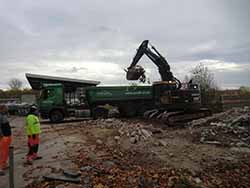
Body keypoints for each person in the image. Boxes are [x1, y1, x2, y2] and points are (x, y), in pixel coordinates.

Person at [0, 105, 12, 176]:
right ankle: (0, 167)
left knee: (6, 151)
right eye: (6, 108)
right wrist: (1, 135)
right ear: (2, 109)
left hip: (8, 135)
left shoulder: (4, 115)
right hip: (3, 136)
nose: (7, 109)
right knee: (2, 152)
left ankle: (4, 164)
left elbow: (7, 123)